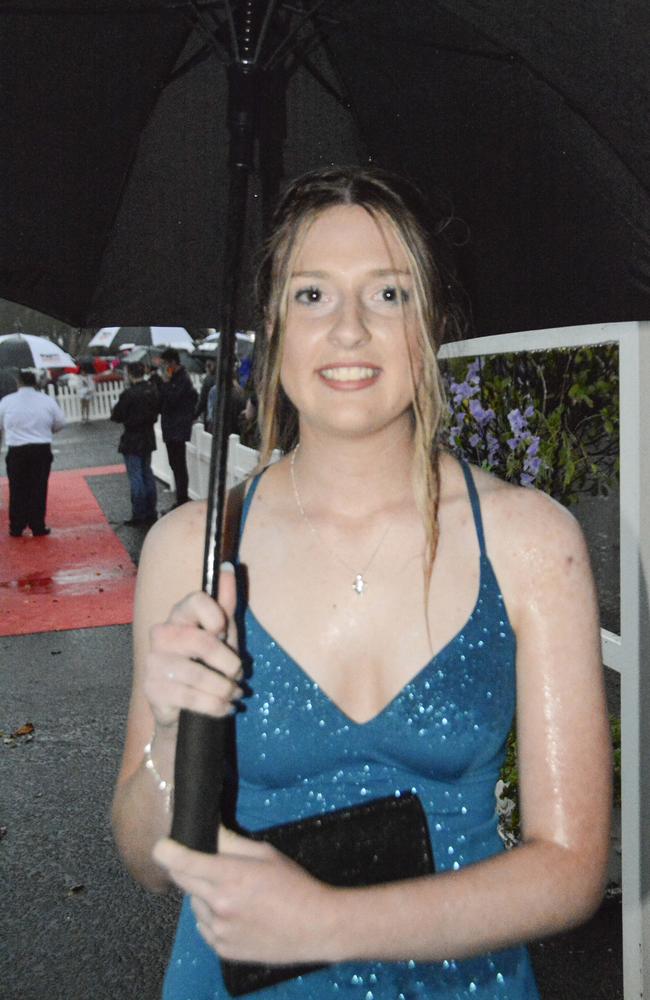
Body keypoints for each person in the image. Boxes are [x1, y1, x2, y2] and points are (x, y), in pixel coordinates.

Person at [112, 167, 611, 1000]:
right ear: (271, 324)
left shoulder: (531, 544)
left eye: (388, 295)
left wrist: (330, 923)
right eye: (312, 295)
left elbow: (570, 866)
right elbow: (147, 860)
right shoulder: (191, 550)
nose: (348, 329)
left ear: (434, 321)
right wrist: (170, 737)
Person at [0, 368, 65, 537]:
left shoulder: (7, 401)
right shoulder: (46, 400)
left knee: (17, 487)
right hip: (40, 448)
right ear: (35, 382)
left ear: (18, 382)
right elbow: (59, 423)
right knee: (38, 486)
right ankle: (37, 524)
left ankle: (17, 525)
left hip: (17, 449)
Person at [110, 361, 160, 528]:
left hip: (132, 437)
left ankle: (139, 513)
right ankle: (151, 511)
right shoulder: (152, 390)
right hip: (148, 435)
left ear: (130, 374)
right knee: (147, 472)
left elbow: (117, 416)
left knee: (136, 475)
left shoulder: (129, 394)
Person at [157, 347, 197, 508]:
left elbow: (173, 400)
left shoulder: (183, 379)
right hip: (170, 427)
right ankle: (180, 497)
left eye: (166, 363)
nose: (165, 367)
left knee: (179, 465)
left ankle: (182, 499)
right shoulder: (173, 378)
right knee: (174, 464)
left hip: (178, 428)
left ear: (173, 362)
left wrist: (165, 384)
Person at [194, 356, 217, 428]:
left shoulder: (208, 380)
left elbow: (202, 401)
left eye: (207, 365)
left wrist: (194, 415)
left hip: (211, 417)